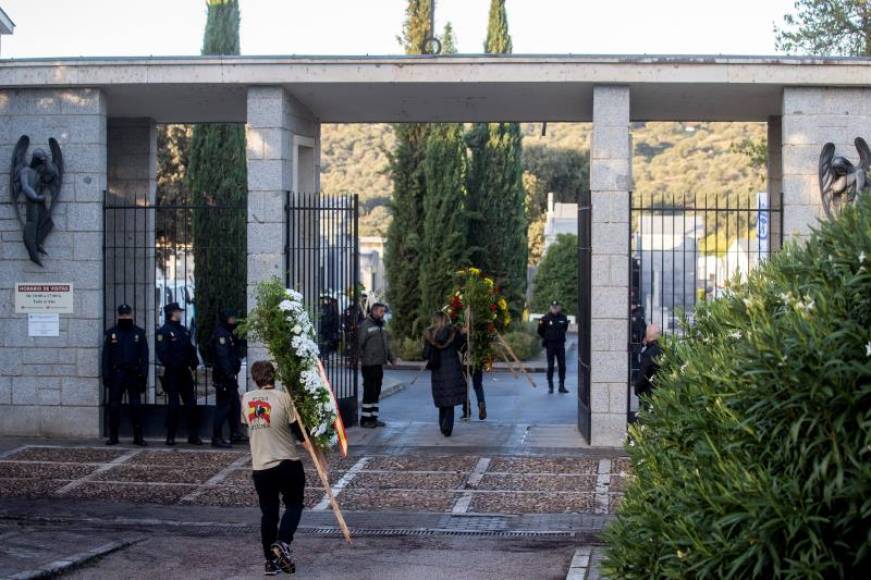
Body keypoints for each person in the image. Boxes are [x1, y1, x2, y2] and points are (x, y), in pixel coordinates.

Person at [242, 360, 306, 576]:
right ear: (274, 376)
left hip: (261, 466)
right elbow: (298, 430)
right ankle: (283, 542)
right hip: (287, 462)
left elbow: (247, 423)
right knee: (294, 504)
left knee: (269, 514)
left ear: (254, 378)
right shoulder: (284, 397)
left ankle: (270, 562)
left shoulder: (246, 399)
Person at [102, 304, 149, 446]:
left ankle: (138, 437)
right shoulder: (111, 333)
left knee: (136, 406)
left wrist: (143, 376)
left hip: (133, 374)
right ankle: (113, 436)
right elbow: (106, 357)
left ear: (131, 314)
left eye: (127, 314)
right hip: (117, 374)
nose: (124, 317)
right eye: (122, 315)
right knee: (114, 406)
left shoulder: (139, 333)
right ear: (118, 315)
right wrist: (106, 375)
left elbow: (145, 357)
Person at [157, 302, 202, 446]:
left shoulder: (183, 330)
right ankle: (170, 436)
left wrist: (193, 364)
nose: (180, 313)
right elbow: (162, 353)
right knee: (173, 405)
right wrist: (174, 363)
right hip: (172, 373)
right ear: (172, 313)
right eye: (178, 311)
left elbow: (190, 349)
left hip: (184, 372)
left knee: (191, 404)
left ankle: (193, 435)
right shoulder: (164, 331)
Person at [423, 312, 467, 437]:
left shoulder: (430, 334)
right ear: (447, 320)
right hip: (452, 370)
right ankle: (447, 427)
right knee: (450, 401)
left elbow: (425, 354)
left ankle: (443, 425)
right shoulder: (453, 332)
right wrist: (464, 334)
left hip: (437, 370)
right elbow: (462, 347)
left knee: (442, 399)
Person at [211, 308, 245, 448]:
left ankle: (235, 433)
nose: (234, 320)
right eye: (232, 317)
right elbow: (223, 357)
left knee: (234, 405)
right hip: (224, 377)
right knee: (223, 407)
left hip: (229, 375)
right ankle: (217, 437)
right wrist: (230, 375)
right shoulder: (221, 335)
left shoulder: (229, 332)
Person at [357, 302, 394, 428]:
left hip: (378, 364)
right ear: (373, 311)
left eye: (383, 311)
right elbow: (359, 344)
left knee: (376, 392)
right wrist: (363, 358)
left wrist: (391, 358)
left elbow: (385, 345)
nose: (382, 314)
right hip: (369, 364)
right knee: (369, 391)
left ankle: (373, 418)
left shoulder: (381, 325)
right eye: (380, 311)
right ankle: (365, 420)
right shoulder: (365, 325)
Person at [538, 300, 570, 394]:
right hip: (550, 345)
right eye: (553, 307)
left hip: (560, 344)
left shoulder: (563, 317)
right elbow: (540, 330)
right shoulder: (545, 318)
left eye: (556, 307)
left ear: (559, 307)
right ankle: (550, 386)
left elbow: (565, 328)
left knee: (562, 365)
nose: (555, 309)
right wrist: (547, 337)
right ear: (550, 308)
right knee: (551, 365)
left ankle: (561, 386)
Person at [633, 324, 663, 405]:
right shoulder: (664, 350)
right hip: (663, 393)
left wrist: (637, 390)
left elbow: (643, 376)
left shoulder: (649, 353)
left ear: (648, 336)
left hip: (649, 395)